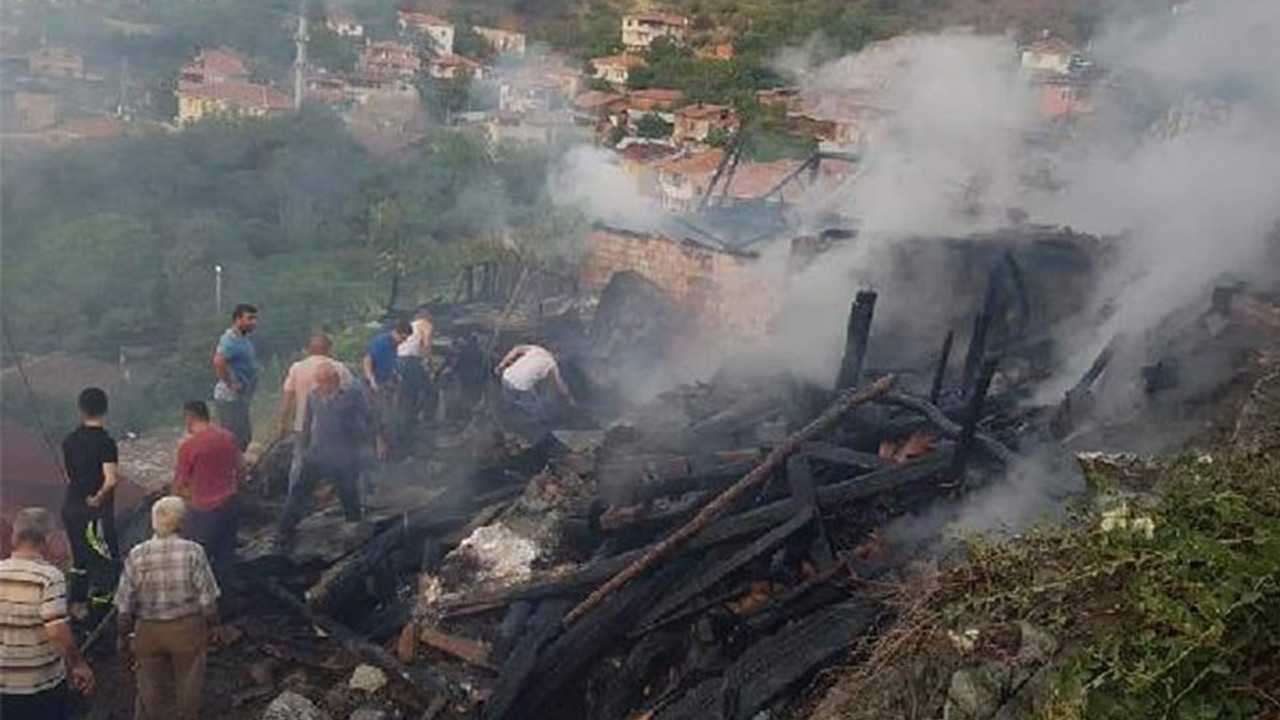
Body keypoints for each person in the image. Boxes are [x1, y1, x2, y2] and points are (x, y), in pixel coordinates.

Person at [115, 496, 219, 720]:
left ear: (153, 522)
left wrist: (123, 636)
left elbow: (124, 607)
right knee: (188, 684)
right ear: (182, 523)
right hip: (187, 629)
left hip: (147, 630)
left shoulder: (137, 554)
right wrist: (213, 628)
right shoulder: (193, 552)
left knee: (148, 690)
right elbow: (208, 603)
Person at [0, 508, 95, 720]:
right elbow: (57, 631)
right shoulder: (49, 577)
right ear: (48, 538)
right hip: (38, 685)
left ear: (15, 536)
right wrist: (78, 664)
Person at [278, 363, 380, 543]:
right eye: (320, 382)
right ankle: (284, 529)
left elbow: (369, 417)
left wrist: (379, 439)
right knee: (300, 490)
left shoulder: (351, 396)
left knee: (348, 490)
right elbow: (307, 423)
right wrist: (304, 445)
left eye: (327, 381)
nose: (323, 386)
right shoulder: (313, 396)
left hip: (344, 451)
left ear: (336, 380)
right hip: (318, 451)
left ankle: (354, 526)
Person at [60, 387, 121, 618]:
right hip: (94, 515)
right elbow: (111, 480)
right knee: (105, 563)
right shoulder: (105, 442)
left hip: (70, 508)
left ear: (80, 409)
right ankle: (98, 616)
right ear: (105, 409)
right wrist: (97, 498)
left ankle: (77, 606)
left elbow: (69, 476)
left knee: (79, 558)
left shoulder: (69, 440)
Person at [173, 401, 242, 585]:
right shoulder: (228, 437)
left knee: (196, 562)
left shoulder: (189, 447)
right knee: (225, 558)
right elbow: (241, 469)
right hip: (230, 505)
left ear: (190, 416)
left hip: (202, 512)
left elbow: (179, 485)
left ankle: (200, 604)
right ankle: (227, 604)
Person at [276, 333, 355, 489]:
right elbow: (351, 395)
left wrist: (282, 422)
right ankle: (334, 494)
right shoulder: (338, 367)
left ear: (309, 350)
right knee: (336, 461)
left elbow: (287, 396)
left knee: (299, 461)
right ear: (329, 349)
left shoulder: (297, 368)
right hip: (332, 427)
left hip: (302, 426)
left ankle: (295, 495)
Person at [212, 303, 259, 452]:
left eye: (255, 319)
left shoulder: (242, 339)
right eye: (249, 318)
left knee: (244, 437)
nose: (253, 322)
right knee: (234, 439)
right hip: (230, 398)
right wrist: (231, 383)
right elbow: (219, 361)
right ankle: (230, 470)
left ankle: (237, 468)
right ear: (237, 319)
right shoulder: (230, 339)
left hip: (240, 398)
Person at [495, 343, 576, 419]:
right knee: (538, 409)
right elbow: (560, 386)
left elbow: (517, 349)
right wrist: (570, 400)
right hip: (522, 389)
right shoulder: (551, 365)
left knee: (511, 396)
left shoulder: (537, 350)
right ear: (557, 356)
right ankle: (529, 421)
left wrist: (502, 365)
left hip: (506, 377)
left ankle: (508, 408)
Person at [393, 312, 433, 455]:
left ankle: (407, 428)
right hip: (411, 361)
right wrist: (428, 361)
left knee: (410, 395)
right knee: (431, 392)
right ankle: (427, 423)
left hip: (400, 360)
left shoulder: (412, 325)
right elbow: (426, 343)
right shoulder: (426, 324)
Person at [362, 318, 411, 396]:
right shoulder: (382, 343)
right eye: (403, 338)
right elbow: (367, 360)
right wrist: (372, 381)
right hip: (373, 383)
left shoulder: (394, 346)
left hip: (385, 383)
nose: (403, 341)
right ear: (396, 333)